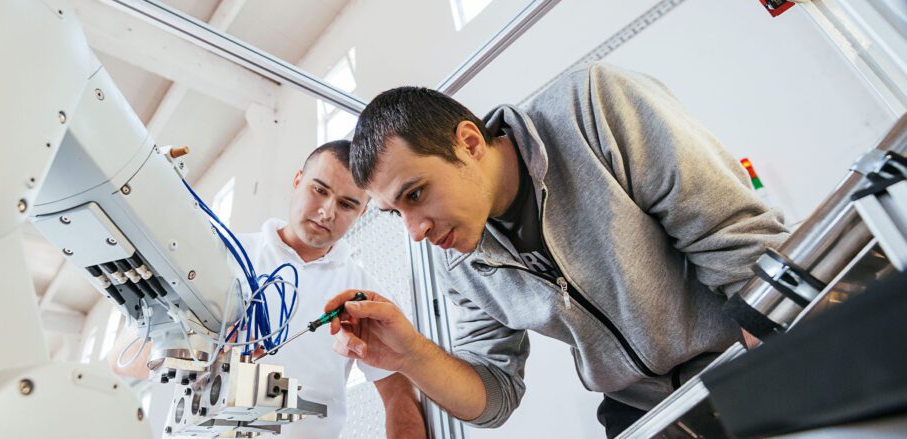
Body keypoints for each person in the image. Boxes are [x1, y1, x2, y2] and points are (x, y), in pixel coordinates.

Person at [323, 63, 790, 437]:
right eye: (394, 212)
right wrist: (410, 356)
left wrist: (778, 383)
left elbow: (733, 239)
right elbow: (495, 393)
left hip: (746, 358)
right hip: (642, 412)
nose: (415, 231)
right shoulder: (459, 262)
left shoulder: (593, 107)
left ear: (468, 143)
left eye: (416, 194)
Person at [115, 140, 425, 439]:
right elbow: (125, 357)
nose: (327, 211)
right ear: (297, 180)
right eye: (319, 190)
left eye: (346, 204)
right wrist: (202, 354)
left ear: (362, 212)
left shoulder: (364, 295)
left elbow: (398, 394)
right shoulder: (221, 255)